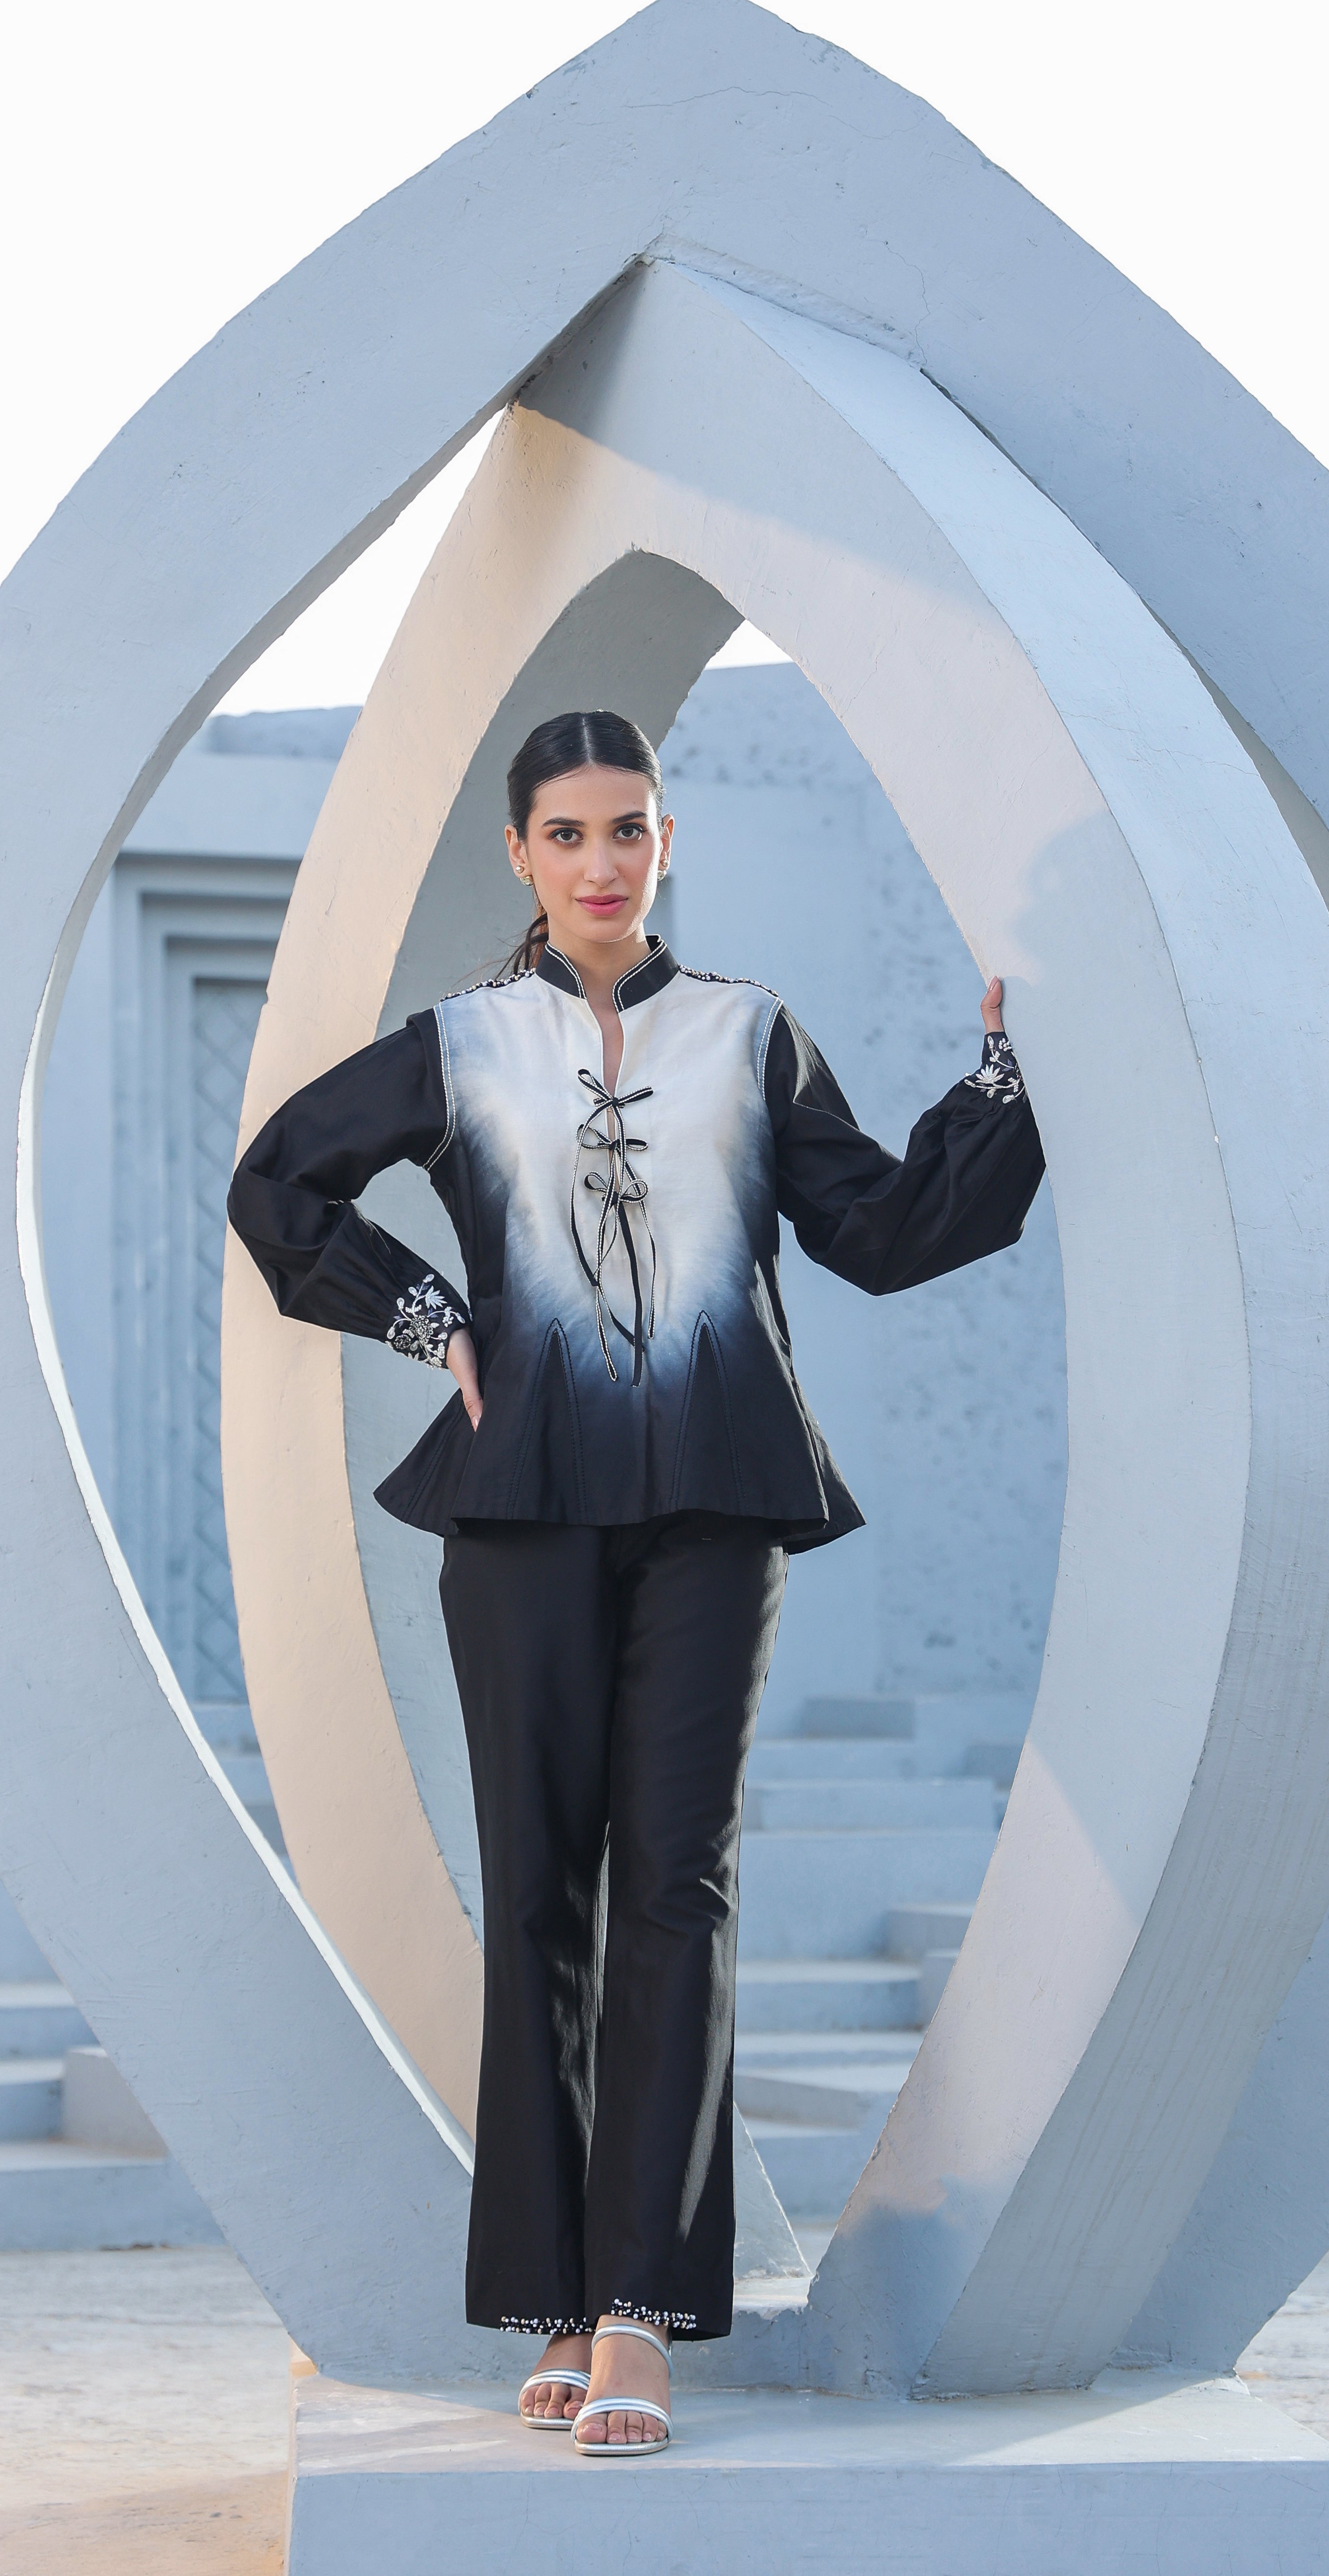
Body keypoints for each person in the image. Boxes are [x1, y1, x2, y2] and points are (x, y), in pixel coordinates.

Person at [228, 710, 1044, 2454]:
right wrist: (426, 1317)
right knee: (538, 1889)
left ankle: (640, 2315)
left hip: (714, 1510)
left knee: (676, 1887)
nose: (602, 862)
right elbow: (277, 1184)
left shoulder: (750, 1035)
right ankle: (549, 2292)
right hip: (522, 1511)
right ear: (521, 855)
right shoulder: (461, 1046)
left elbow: (885, 1232)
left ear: (669, 841)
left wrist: (1007, 1081)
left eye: (630, 828)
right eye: (569, 833)